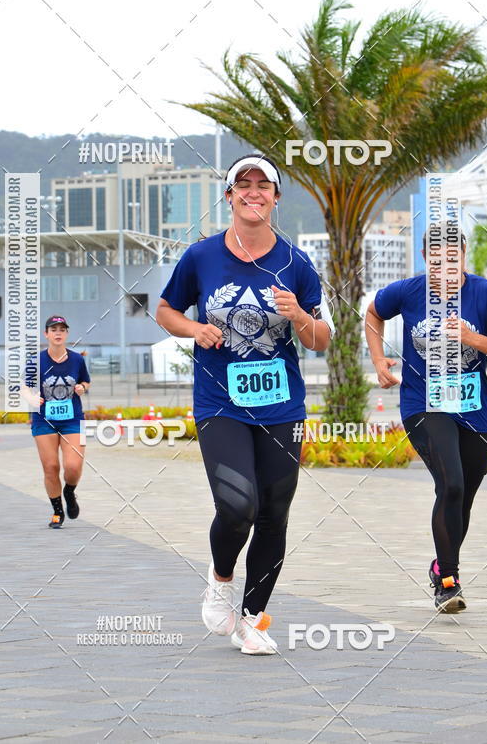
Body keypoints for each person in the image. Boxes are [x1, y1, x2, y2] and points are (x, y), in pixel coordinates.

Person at [156, 154, 334, 654]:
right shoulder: (202, 257)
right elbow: (166, 310)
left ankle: (253, 619)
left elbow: (320, 339)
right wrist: (195, 329)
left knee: (274, 513)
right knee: (238, 505)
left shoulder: (297, 263)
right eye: (243, 184)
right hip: (221, 402)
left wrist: (298, 312)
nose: (252, 192)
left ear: (276, 198)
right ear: (229, 195)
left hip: (282, 405)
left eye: (263, 185)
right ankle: (220, 577)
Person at [365, 223, 487, 612]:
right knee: (450, 485)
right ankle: (448, 583)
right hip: (424, 404)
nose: (446, 267)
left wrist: (473, 339)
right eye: (437, 260)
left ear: (463, 256)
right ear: (425, 260)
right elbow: (372, 312)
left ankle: (440, 566)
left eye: (453, 258)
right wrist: (378, 358)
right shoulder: (409, 291)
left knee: (461, 498)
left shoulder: (485, 294)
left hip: (474, 410)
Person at [30, 316, 91, 529]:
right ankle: (57, 511)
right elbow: (21, 388)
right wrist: (30, 397)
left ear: (66, 334)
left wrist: (83, 387)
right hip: (43, 420)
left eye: (62, 329)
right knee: (51, 467)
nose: (58, 333)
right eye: (53, 329)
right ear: (46, 334)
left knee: (73, 467)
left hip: (73, 419)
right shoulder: (35, 361)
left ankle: (69, 491)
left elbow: (85, 380)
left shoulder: (77, 360)